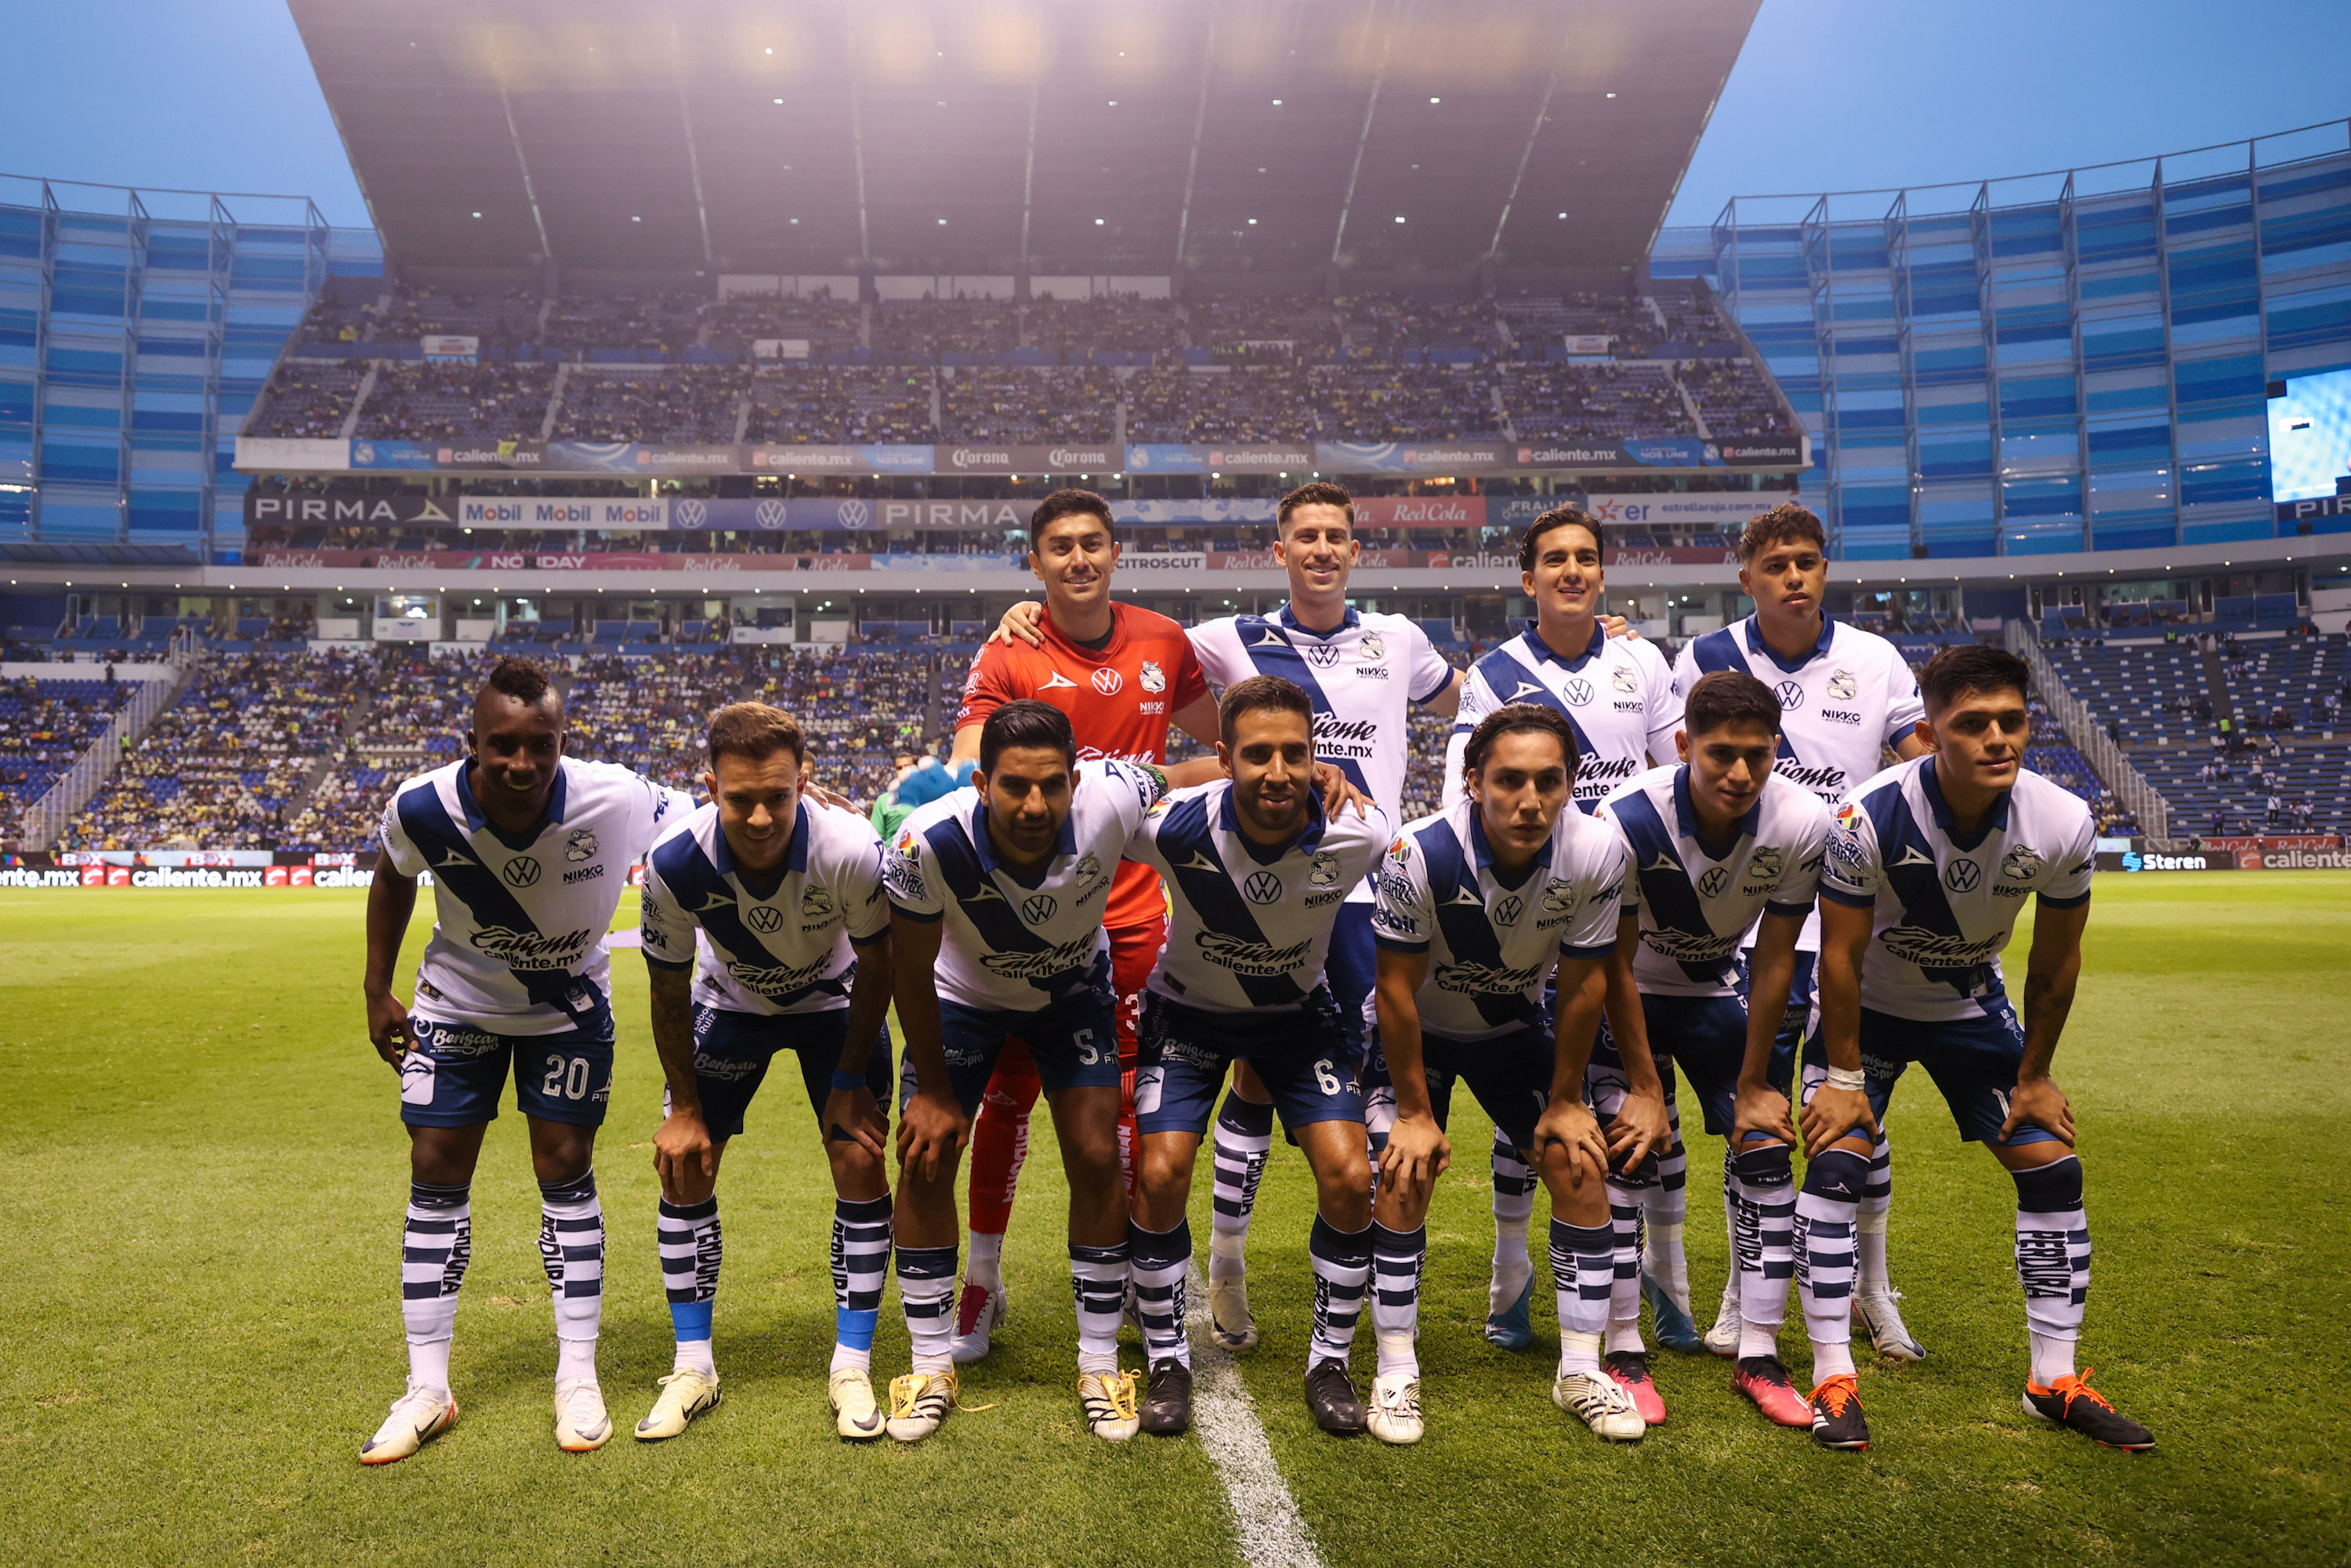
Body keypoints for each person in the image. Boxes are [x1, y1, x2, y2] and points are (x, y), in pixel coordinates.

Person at [1001, 480, 1463, 1352]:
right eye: (1306, 537)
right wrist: (1028, 611)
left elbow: (1471, 704)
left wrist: (1600, 646)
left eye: (1338, 535)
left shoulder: (1399, 639)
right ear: (1279, 551)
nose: (1323, 549)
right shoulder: (1221, 640)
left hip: (1361, 889)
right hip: (1269, 877)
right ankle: (1227, 1271)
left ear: (1355, 550)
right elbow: (1124, 640)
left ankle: (1376, 1318)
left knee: (1361, 1103)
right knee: (1247, 1068)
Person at [947, 489, 1357, 1363]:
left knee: (1131, 1105)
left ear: (1115, 550)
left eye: (1093, 544)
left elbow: (1229, 743)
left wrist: (1267, 771)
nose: (1079, 560)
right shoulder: (1010, 646)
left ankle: (1138, 1268)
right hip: (1030, 905)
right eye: (1060, 548)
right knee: (1009, 1097)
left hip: (1133, 909)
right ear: (1037, 561)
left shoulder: (1164, 641)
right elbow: (965, 763)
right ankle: (982, 1278)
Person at [1796, 645, 2153, 1451]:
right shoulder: (1866, 815)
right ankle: (1830, 1377)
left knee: (2052, 1164)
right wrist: (1843, 1078)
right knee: (1836, 1161)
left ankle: (2051, 1379)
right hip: (1870, 1012)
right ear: (1930, 732)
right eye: (1973, 724)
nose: (1998, 739)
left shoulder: (2061, 819)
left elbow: (2057, 964)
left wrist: (2036, 1077)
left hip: (1969, 1011)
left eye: (2012, 722)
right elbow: (1840, 958)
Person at [357, 656, 692, 1464]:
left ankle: (577, 1374)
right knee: (435, 1168)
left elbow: (700, 817)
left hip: (566, 1012)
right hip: (455, 1006)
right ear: (472, 742)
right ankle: (426, 1388)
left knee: (566, 1165)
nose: (521, 762)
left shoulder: (614, 794)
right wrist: (376, 988)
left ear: (561, 740)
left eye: (538, 745)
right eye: (501, 745)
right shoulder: (422, 806)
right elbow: (393, 876)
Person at [1672, 502, 1933, 1363]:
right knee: (1761, 1111)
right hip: (1748, 931)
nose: (1794, 575)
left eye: (1808, 561)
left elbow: (1919, 757)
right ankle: (1745, 1289)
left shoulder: (1875, 658)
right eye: (1777, 563)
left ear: (1825, 570)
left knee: (1857, 1115)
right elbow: (1676, 765)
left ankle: (1871, 1289)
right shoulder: (1705, 658)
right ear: (1745, 577)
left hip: (1853, 928)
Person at [1370, 703, 1668, 1441]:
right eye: (1509, 781)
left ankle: (1579, 1369)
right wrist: (1414, 1110)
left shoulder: (1596, 851)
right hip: (1418, 1035)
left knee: (1578, 1160)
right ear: (1472, 782)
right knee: (1403, 1171)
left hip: (1508, 1030)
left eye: (1549, 780)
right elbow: (1396, 992)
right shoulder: (1418, 853)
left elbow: (1584, 983)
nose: (1530, 800)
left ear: (1571, 783)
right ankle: (1396, 1370)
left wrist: (1566, 1099)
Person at [880, 700, 1168, 1443]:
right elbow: (906, 972)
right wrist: (936, 1094)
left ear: (1076, 780)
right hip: (961, 997)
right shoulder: (924, 842)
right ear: (983, 782)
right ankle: (929, 1364)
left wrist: (1312, 779)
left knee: (1099, 1151)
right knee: (924, 1154)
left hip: (1071, 991)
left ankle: (1100, 1361)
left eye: (1051, 785)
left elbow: (1192, 774)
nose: (1035, 804)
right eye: (1014, 786)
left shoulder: (1111, 792)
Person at [1121, 676, 1391, 1437]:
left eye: (1296, 754)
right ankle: (1169, 1359)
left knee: (1349, 1175)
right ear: (1224, 757)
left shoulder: (1358, 832)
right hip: (1188, 1016)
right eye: (1258, 754)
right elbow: (1087, 808)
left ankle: (1329, 1362)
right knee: (1162, 1170)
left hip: (1295, 1020)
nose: (1278, 772)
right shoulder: (1172, 826)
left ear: (1318, 755)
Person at [1443, 506, 1683, 1353]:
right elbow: (1461, 794)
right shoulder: (1494, 672)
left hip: (1620, 894)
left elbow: (1668, 778)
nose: (1572, 571)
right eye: (1555, 560)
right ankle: (1513, 1281)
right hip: (1533, 897)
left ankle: (1659, 1281)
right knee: (1543, 1082)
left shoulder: (1642, 658)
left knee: (1621, 1092)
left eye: (1586, 558)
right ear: (1528, 578)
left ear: (1603, 573)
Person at [633, 703, 899, 1442]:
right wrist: (684, 1105)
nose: (757, 817)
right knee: (685, 1164)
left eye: (776, 797)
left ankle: (851, 1364)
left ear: (803, 783)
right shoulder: (674, 861)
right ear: (710, 785)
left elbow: (880, 965)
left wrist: (850, 1077)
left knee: (859, 1159)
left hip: (835, 1001)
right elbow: (665, 987)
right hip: (731, 1002)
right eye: (739, 798)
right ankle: (694, 1366)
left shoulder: (849, 845)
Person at [1583, 670, 1836, 1431]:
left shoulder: (1801, 820)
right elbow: (1611, 962)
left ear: (1777, 750)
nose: (1739, 773)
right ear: (1685, 743)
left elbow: (1778, 960)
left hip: (1716, 993)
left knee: (1764, 1145)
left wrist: (1758, 1081)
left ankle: (1758, 1354)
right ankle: (1624, 1350)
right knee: (1631, 1150)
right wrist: (1644, 1083)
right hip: (1628, 993)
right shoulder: (1624, 818)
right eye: (1720, 753)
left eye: (1757, 755)